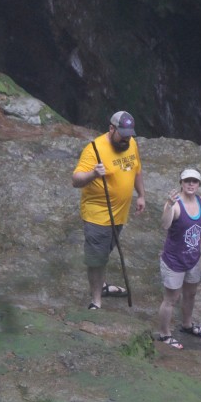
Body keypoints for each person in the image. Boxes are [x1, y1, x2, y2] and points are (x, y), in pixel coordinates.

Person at [72, 110, 145, 309]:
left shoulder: (131, 144)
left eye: (130, 135)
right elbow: (76, 180)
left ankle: (101, 285)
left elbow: (137, 169)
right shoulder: (94, 149)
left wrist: (141, 195)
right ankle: (96, 300)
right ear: (111, 129)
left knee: (104, 253)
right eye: (123, 134)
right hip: (98, 214)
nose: (127, 139)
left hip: (120, 214)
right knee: (96, 259)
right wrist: (93, 174)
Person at [157, 168, 201, 349]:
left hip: (193, 258)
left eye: (194, 181)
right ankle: (164, 334)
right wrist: (169, 206)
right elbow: (165, 225)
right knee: (171, 298)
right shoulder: (175, 204)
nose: (191, 184)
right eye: (187, 181)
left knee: (191, 294)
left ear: (199, 184)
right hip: (174, 260)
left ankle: (187, 324)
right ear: (181, 183)